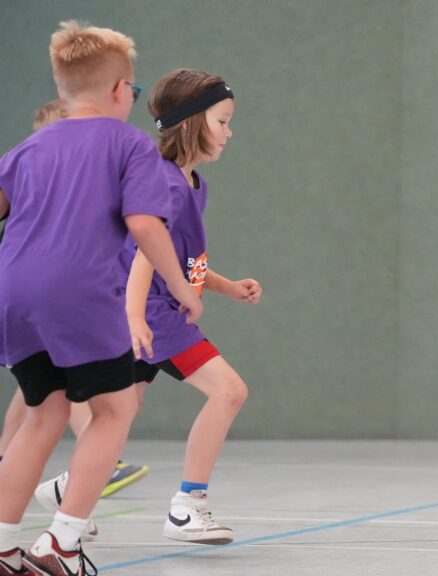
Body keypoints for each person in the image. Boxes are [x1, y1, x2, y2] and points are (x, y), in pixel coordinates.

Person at [0, 21, 202, 575]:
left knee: (44, 412)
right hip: (78, 291)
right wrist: (182, 284)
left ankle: (2, 543)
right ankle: (61, 544)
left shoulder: (27, 148)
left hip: (14, 291)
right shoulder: (129, 143)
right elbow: (144, 223)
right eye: (133, 91)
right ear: (120, 91)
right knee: (116, 408)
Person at [0, 101, 149, 536]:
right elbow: (148, 233)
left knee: (42, 403)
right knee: (108, 407)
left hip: (30, 301)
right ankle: (63, 535)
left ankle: (13, 534)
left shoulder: (48, 167)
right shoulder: (41, 163)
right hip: (63, 301)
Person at [125, 68, 258, 544]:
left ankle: (66, 493)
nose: (229, 132)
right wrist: (136, 317)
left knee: (120, 413)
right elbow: (144, 256)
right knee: (229, 391)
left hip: (159, 311)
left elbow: (181, 261)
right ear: (190, 123)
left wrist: (225, 287)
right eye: (222, 122)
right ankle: (188, 506)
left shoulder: (193, 184)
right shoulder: (166, 184)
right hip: (157, 316)